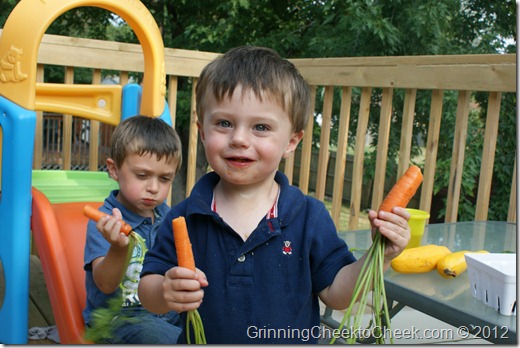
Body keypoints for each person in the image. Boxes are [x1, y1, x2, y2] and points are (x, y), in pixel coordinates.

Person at [138, 46, 411, 344]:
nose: (239, 139)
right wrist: (164, 290)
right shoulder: (184, 217)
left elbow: (337, 293)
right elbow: (148, 290)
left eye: (261, 127)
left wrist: (378, 257)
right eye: (224, 123)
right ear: (202, 131)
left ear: (291, 142)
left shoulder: (308, 217)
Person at [83, 115, 184, 344]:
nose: (154, 188)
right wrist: (119, 248)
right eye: (142, 175)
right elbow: (105, 284)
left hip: (167, 314)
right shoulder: (106, 221)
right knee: (165, 338)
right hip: (120, 320)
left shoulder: (169, 218)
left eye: (165, 178)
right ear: (114, 169)